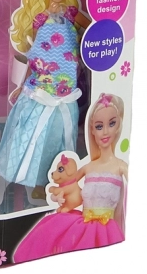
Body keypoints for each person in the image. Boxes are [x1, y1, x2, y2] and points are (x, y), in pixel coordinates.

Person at [0, 0, 90, 207]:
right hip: (38, 91)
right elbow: (33, 54)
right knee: (19, 139)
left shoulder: (72, 13)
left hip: (65, 94)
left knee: (54, 144)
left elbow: (94, 29)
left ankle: (41, 185)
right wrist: (21, 84)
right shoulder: (38, 16)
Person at [13, 94, 127, 262]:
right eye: (99, 126)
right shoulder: (88, 167)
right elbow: (66, 183)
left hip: (107, 229)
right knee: (52, 231)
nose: (105, 131)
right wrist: (56, 196)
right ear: (92, 130)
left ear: (119, 125)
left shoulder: (120, 166)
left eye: (111, 123)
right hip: (83, 224)